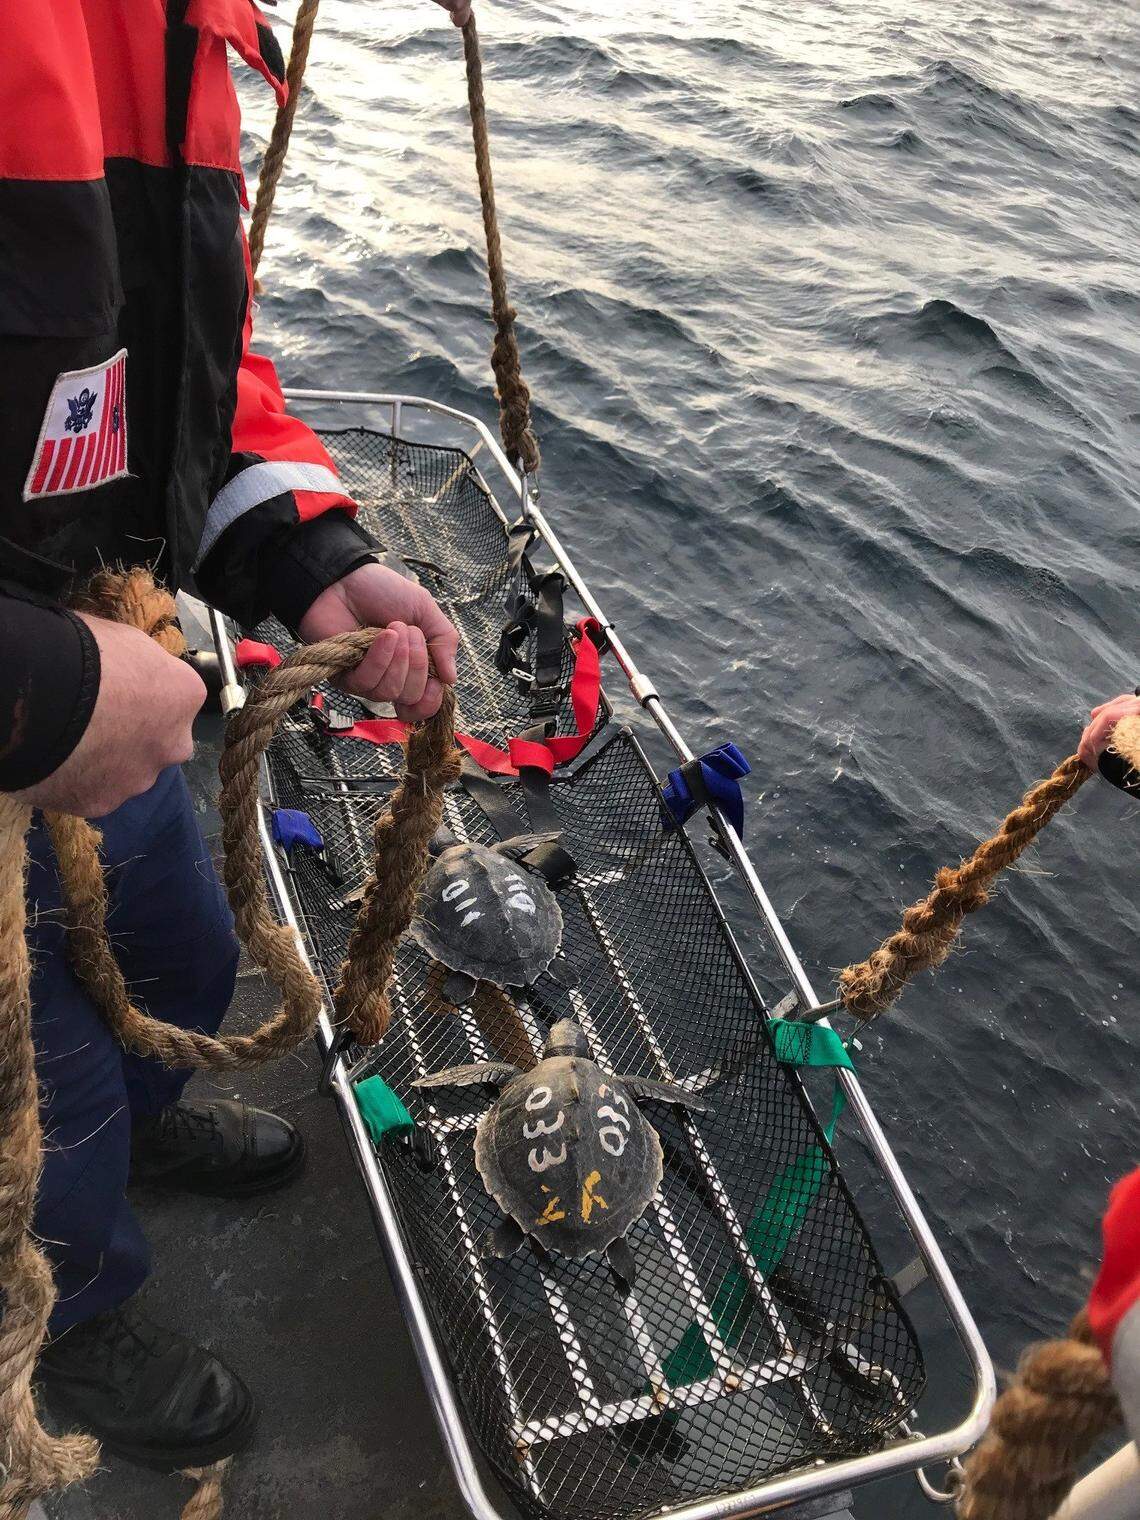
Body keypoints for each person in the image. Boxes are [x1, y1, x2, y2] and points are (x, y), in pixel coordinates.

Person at [0, 0, 472, 1478]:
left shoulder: (163, 26)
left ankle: (140, 1134)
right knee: (38, 1089)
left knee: (181, 952)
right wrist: (39, 698)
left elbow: (185, 373)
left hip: (103, 652)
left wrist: (307, 557)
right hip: (46, 696)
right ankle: (71, 1310)